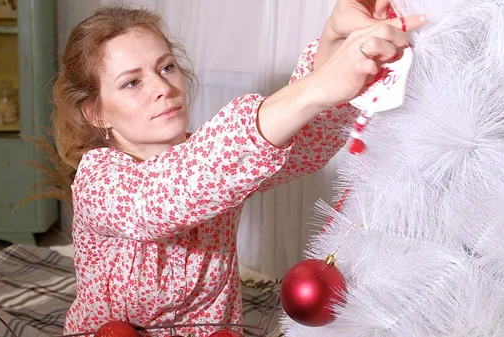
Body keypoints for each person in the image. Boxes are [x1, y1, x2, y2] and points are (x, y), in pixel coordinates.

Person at [52, 1, 425, 336]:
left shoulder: (213, 159)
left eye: (166, 67)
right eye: (132, 82)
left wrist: (333, 39)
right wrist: (317, 88)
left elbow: (304, 147)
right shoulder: (98, 178)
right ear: (96, 113)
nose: (163, 87)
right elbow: (165, 197)